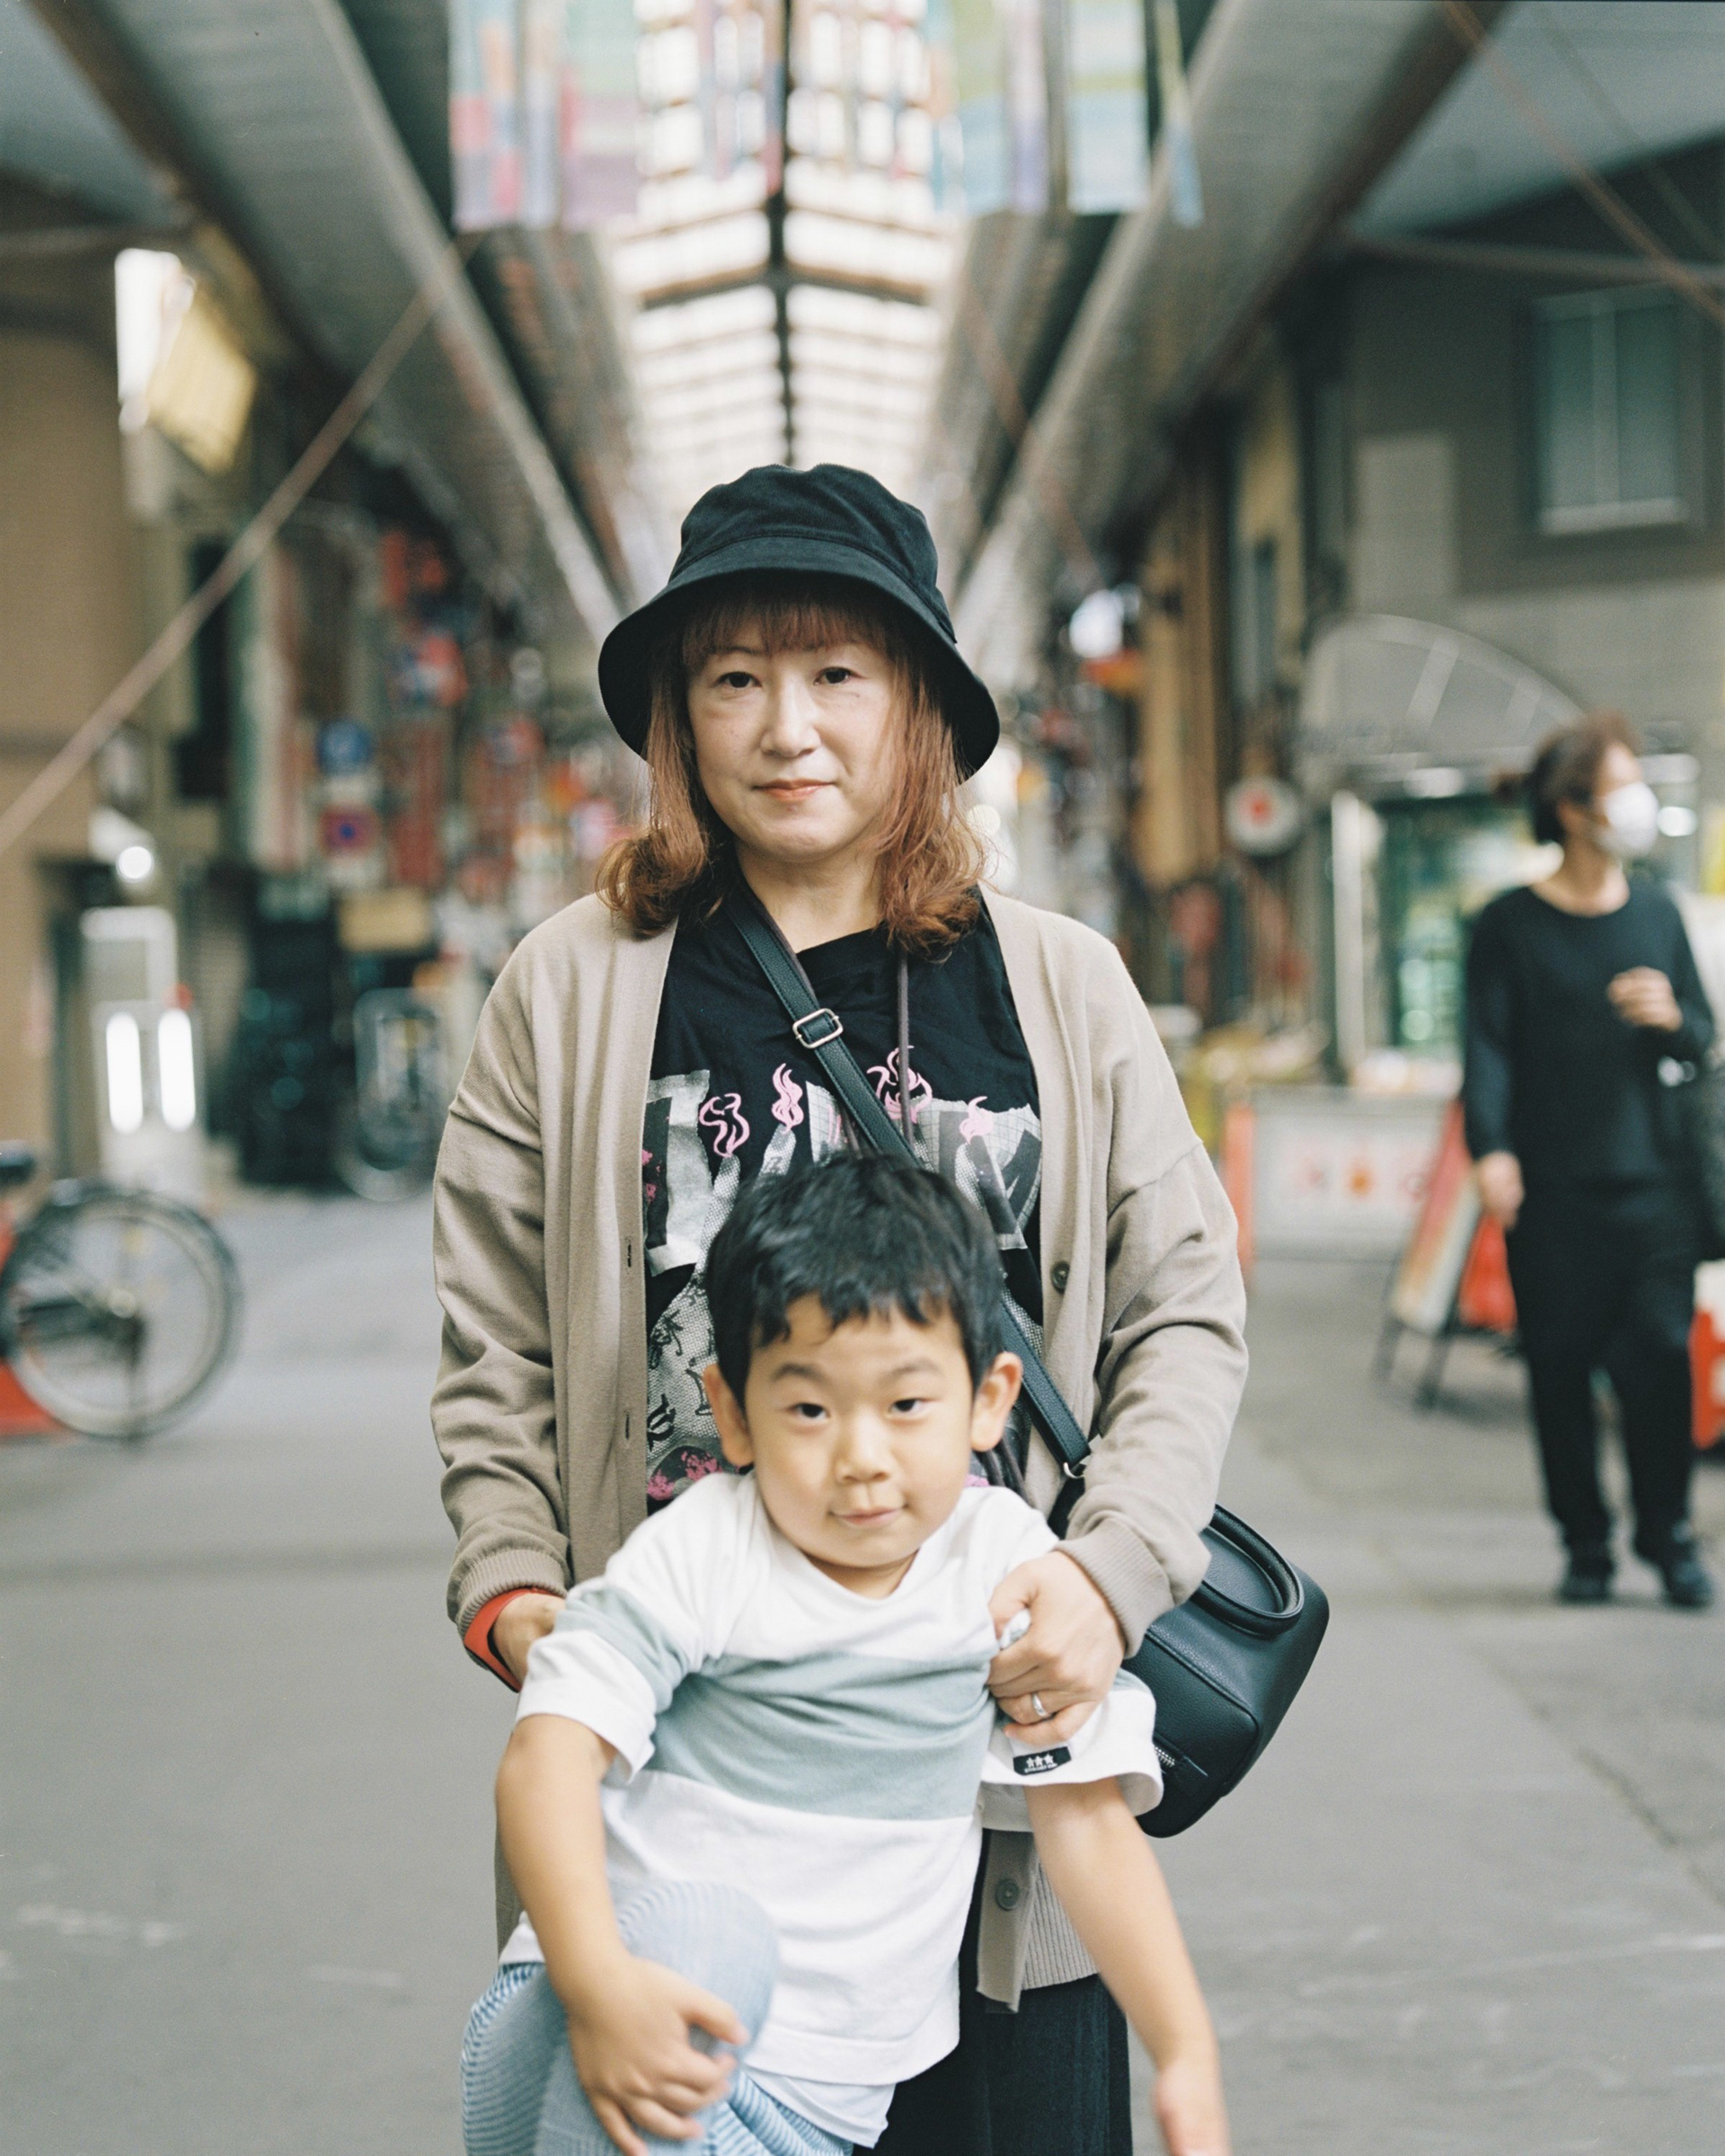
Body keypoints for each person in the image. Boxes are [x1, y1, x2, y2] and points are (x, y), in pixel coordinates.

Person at [434, 463, 1248, 2155]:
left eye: (836, 674)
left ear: (918, 706)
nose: (786, 726)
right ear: (680, 718)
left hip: (994, 1751)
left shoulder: (1058, 983)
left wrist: (1107, 1577)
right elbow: (495, 1343)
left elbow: (1182, 1306)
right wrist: (518, 1592)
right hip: (689, 1784)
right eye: (735, 678)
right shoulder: (571, 986)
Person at [460, 1156, 1229, 2156]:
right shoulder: (707, 1548)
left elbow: (1084, 1821)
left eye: (906, 1406)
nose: (862, 1458)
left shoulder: (1004, 1571)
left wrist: (1185, 2051)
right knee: (710, 1936)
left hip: (814, 2109)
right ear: (733, 1414)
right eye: (811, 1410)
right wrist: (598, 1984)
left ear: (988, 1399)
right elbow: (545, 1760)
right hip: (599, 2013)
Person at [1464, 713, 1715, 1609]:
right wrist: (1492, 1151)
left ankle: (1669, 1534)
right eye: (1622, 785)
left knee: (1660, 1361)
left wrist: (1672, 1017)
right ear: (1573, 811)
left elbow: (1703, 1035)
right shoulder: (1508, 925)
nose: (1638, 801)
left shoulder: (1658, 911)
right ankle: (1586, 1543)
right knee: (1560, 1368)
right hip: (1552, 1193)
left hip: (1657, 1187)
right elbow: (1486, 1049)